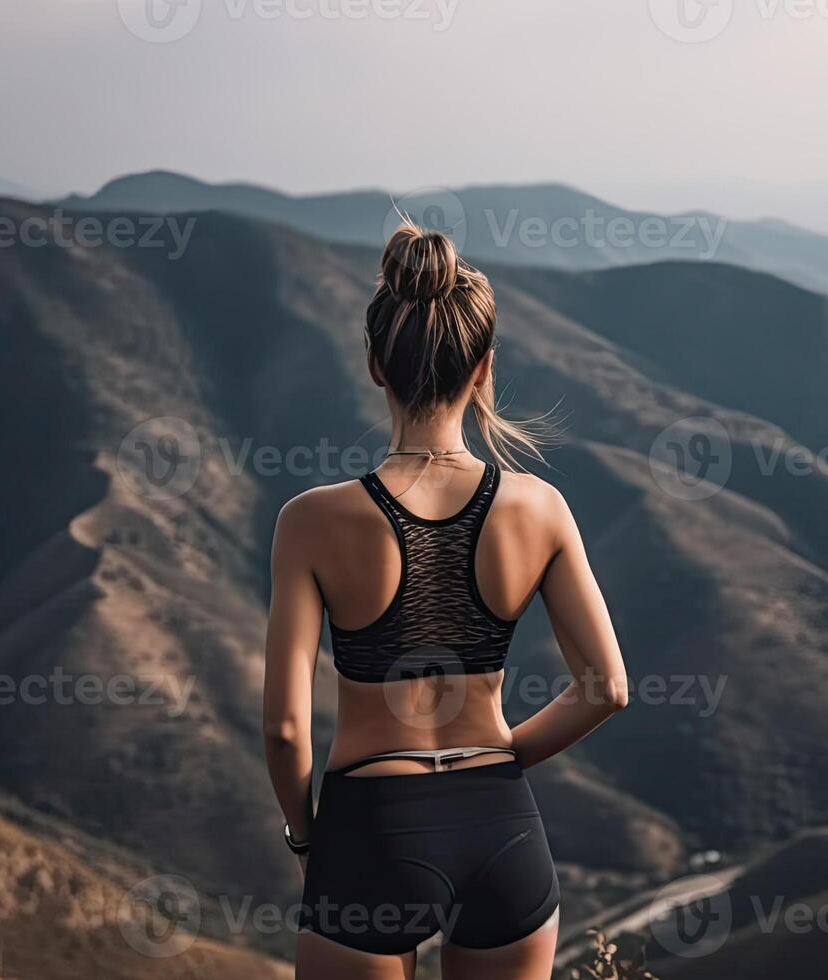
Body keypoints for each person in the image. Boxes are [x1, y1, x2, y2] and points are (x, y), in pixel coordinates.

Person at [262, 223, 629, 979]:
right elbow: (607, 689)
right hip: (504, 832)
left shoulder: (311, 521)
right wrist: (499, 756)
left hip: (371, 831)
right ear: (485, 370)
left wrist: (307, 841)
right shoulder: (541, 509)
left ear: (374, 365)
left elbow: (287, 727)